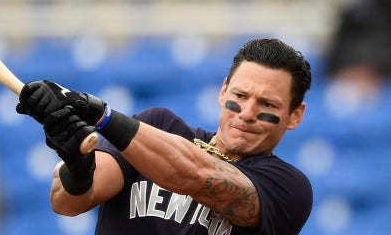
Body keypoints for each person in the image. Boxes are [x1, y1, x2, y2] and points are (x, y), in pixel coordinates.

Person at [16, 38, 312, 234]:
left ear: (295, 114)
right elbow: (67, 203)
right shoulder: (159, 125)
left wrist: (101, 116)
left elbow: (192, 174)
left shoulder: (288, 187)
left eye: (267, 104)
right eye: (240, 95)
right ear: (223, 91)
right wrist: (78, 165)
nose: (247, 112)